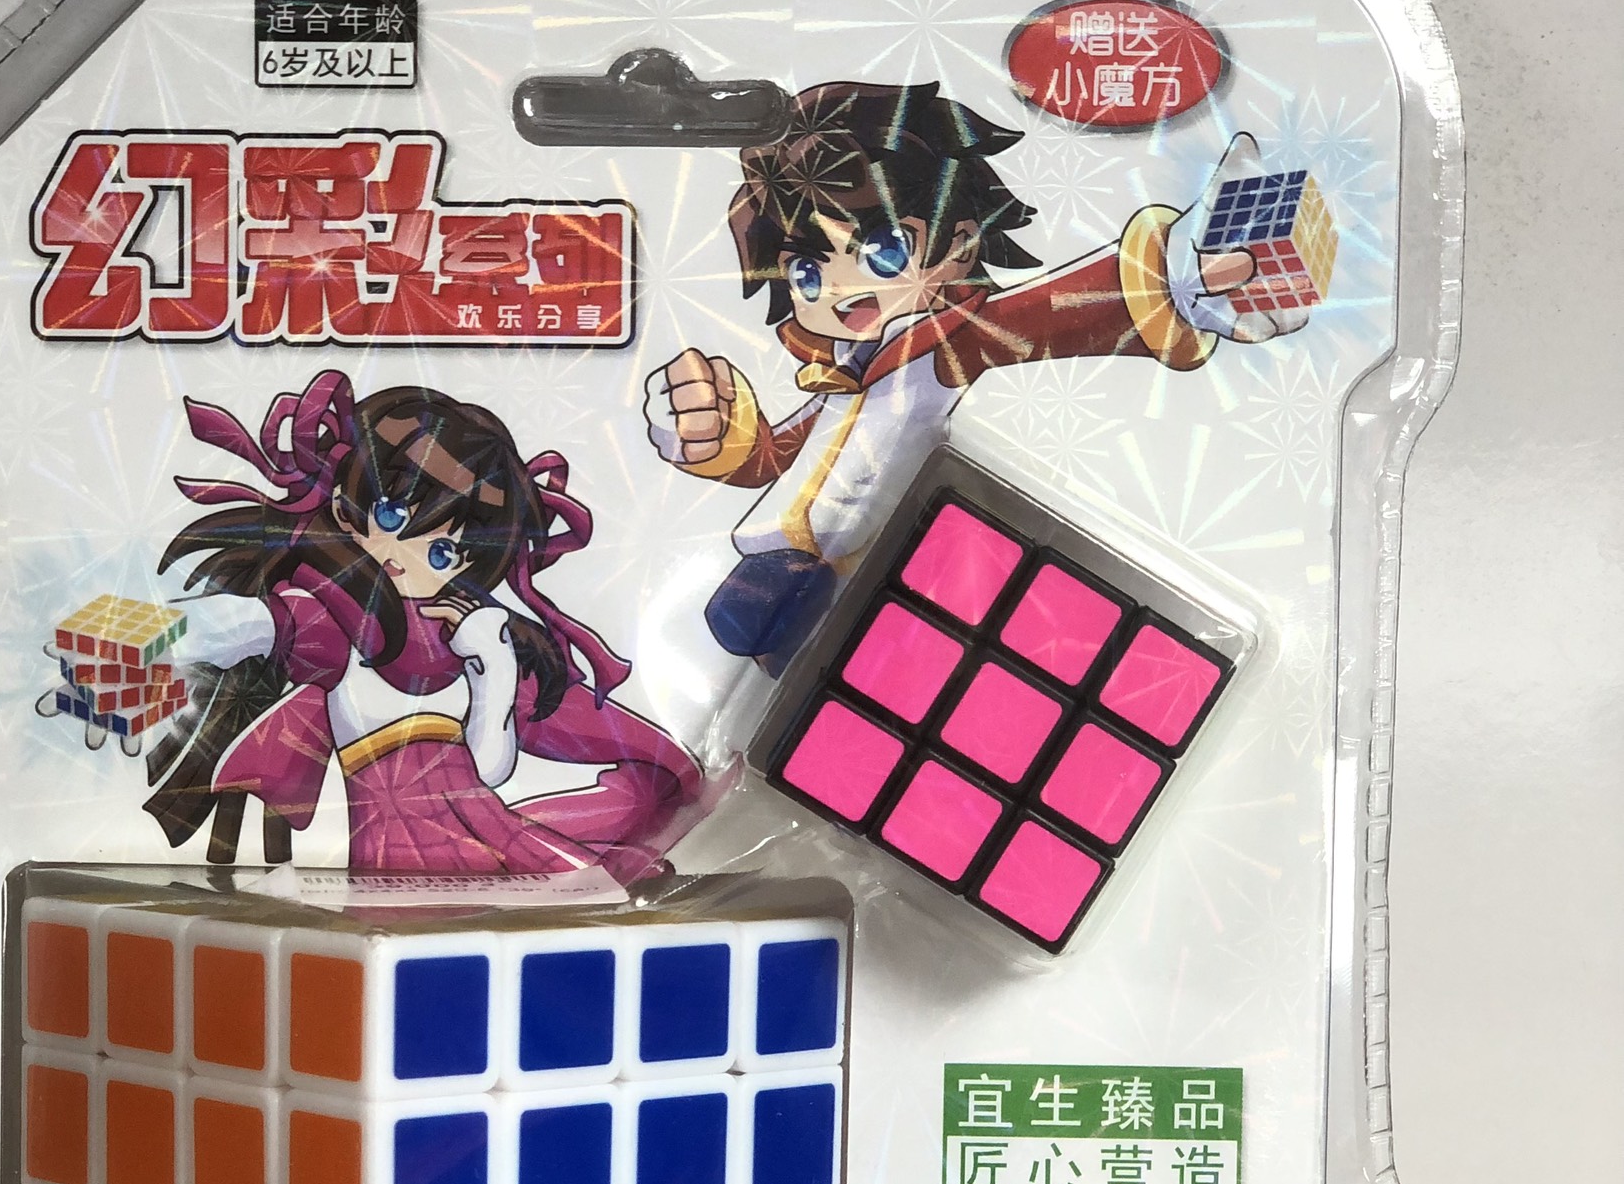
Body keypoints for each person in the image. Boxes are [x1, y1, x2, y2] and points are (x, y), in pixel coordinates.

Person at [644, 79, 1304, 666]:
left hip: (893, 587)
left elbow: (1044, 314)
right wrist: (716, 433)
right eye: (808, 273)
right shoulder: (843, 380)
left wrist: (1174, 280)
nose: (839, 291)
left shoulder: (948, 346)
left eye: (882, 250)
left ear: (961, 242)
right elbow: (776, 456)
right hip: (777, 603)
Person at [143, 370, 699, 876]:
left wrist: (494, 664)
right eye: (391, 517)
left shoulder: (465, 637)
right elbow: (237, 624)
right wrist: (125, 640)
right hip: (394, 848)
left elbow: (488, 770)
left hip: (487, 834)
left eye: (442, 553)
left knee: (604, 882)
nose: (403, 554)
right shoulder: (337, 620)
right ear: (346, 503)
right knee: (590, 887)